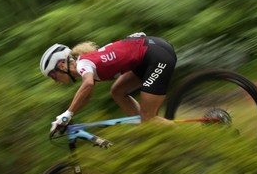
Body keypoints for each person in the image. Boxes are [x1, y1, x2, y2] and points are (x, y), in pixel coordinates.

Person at [39, 32, 177, 133]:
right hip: (149, 54)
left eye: (53, 75)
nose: (55, 81)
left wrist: (67, 114)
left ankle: (183, 134)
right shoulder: (86, 62)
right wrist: (70, 113)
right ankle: (143, 129)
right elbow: (86, 95)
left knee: (149, 119)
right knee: (117, 92)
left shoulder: (83, 65)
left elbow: (88, 85)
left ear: (62, 66)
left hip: (157, 56)